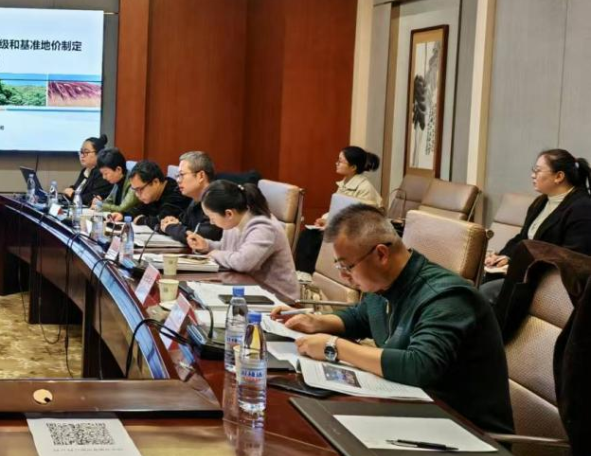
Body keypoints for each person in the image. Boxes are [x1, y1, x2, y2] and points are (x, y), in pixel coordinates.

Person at [280, 204, 513, 434]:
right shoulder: (385, 284)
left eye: (346, 266)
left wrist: (334, 347)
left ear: (381, 254)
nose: (343, 275)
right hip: (412, 412)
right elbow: (361, 317)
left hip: (464, 431)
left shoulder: (447, 297)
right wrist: (317, 322)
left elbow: (419, 366)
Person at [187, 180, 299, 300]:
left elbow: (242, 262)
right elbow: (228, 251)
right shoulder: (234, 221)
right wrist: (207, 246)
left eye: (212, 217)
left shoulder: (264, 228)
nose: (211, 222)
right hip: (249, 287)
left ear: (229, 214)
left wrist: (214, 254)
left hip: (277, 298)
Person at [486, 149, 591, 272]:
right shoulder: (540, 202)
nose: (533, 175)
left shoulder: (583, 208)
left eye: (538, 170)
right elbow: (523, 238)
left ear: (559, 177)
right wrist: (505, 256)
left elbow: (572, 258)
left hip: (550, 278)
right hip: (524, 271)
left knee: (487, 284)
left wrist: (517, 265)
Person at [296, 145, 384, 273]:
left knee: (314, 240)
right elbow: (338, 208)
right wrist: (325, 219)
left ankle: (307, 274)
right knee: (307, 235)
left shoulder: (365, 188)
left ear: (353, 167)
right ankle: (303, 274)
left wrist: (330, 222)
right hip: (340, 227)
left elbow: (362, 218)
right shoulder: (345, 182)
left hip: (356, 233)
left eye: (340, 161)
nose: (336, 163)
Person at [160, 150, 223, 244]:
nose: (178, 180)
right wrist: (171, 222)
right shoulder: (195, 200)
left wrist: (170, 227)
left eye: (181, 175)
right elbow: (184, 225)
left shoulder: (217, 200)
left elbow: (197, 238)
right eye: (177, 175)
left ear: (201, 176)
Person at [116, 160, 188, 229]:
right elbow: (140, 209)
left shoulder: (176, 193)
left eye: (140, 189)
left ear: (155, 182)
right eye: (135, 190)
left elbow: (164, 222)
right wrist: (122, 215)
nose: (137, 195)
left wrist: (143, 220)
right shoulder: (153, 194)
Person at [63, 135, 112, 202]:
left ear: (98, 154)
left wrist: (72, 195)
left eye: (86, 152)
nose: (82, 155)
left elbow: (93, 198)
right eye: (81, 152)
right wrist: (70, 190)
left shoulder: (103, 173)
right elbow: (78, 189)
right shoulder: (85, 170)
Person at [93, 147, 138, 217]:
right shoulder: (117, 181)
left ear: (118, 170)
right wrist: (99, 203)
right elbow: (108, 202)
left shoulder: (133, 183)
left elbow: (122, 209)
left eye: (106, 174)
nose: (104, 177)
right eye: (102, 174)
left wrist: (100, 205)